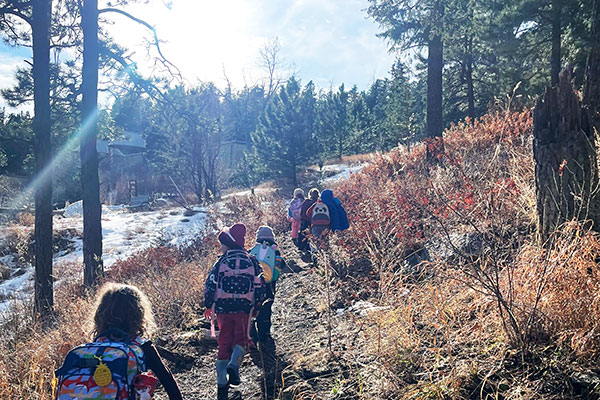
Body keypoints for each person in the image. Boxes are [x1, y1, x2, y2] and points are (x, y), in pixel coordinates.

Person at [55, 283, 183, 400]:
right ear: (138, 314)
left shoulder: (91, 349)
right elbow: (169, 384)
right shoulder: (142, 347)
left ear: (101, 314)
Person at [204, 223, 265, 400]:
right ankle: (234, 365)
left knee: (224, 341)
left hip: (222, 308)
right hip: (244, 309)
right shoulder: (252, 260)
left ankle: (221, 381)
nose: (221, 247)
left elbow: (210, 284)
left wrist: (209, 305)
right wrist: (257, 306)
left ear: (227, 245)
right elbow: (260, 284)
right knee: (242, 340)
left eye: (222, 244)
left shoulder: (221, 261)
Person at [249, 226, 287, 343]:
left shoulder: (252, 251)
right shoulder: (275, 251)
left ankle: (252, 335)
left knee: (252, 310)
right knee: (266, 311)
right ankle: (265, 335)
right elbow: (283, 265)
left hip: (253, 288)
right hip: (269, 287)